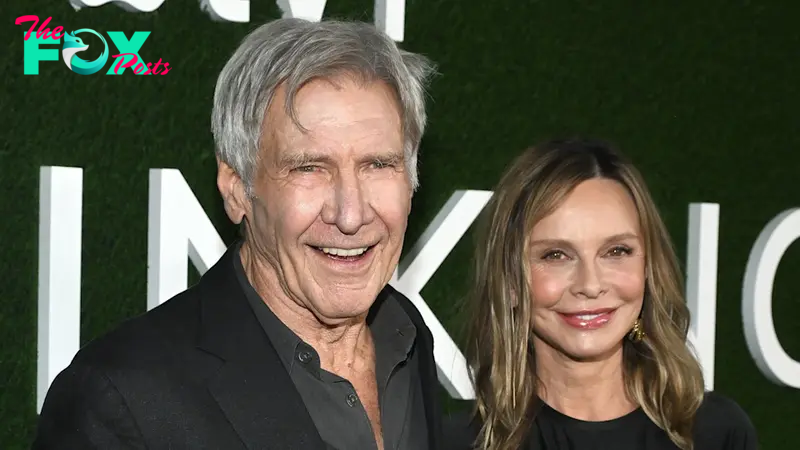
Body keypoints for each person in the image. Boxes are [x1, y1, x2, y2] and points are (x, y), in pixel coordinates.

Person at [32, 18, 440, 450]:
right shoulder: (120, 401)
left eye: (378, 164)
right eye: (309, 168)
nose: (351, 214)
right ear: (237, 189)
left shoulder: (408, 338)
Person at [446, 138, 758, 450]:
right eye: (556, 255)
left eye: (616, 251)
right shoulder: (456, 442)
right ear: (511, 281)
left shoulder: (715, 433)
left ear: (648, 268)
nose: (591, 284)